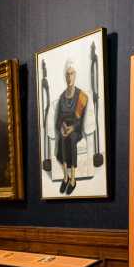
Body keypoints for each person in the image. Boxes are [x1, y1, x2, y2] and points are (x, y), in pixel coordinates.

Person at [54, 59, 89, 195]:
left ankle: (73, 179)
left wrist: (72, 128)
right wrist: (62, 126)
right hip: (64, 128)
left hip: (76, 129)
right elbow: (58, 120)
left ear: (76, 75)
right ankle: (65, 177)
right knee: (63, 138)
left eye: (72, 73)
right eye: (67, 74)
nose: (69, 77)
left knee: (71, 138)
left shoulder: (81, 96)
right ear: (65, 76)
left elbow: (82, 121)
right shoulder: (62, 97)